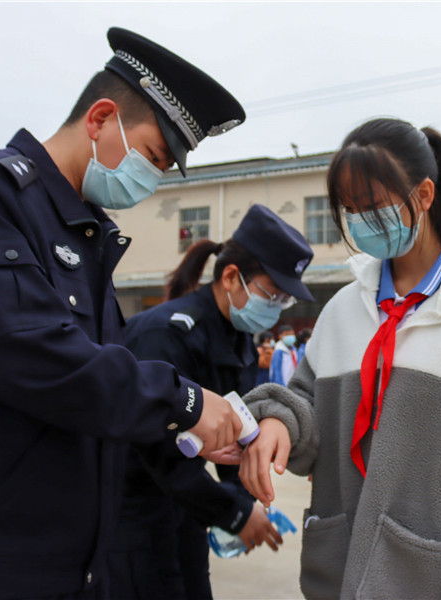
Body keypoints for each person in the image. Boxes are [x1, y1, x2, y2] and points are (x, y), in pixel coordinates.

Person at [0, 28, 247, 600]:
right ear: (101, 118)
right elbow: (31, 355)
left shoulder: (84, 237)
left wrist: (188, 431)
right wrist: (184, 402)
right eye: (152, 157)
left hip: (65, 567)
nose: (152, 180)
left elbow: (97, 393)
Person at [239, 118, 441, 600]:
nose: (358, 221)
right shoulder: (343, 311)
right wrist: (279, 423)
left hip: (438, 580)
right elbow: (306, 403)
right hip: (339, 572)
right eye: (348, 210)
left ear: (425, 194)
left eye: (372, 206)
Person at [112, 204, 315, 600]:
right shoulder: (166, 335)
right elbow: (156, 451)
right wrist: (234, 514)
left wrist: (245, 502)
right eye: (271, 294)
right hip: (132, 512)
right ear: (230, 277)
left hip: (183, 509)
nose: (274, 308)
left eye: (282, 301)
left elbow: (230, 435)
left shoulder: (235, 338)